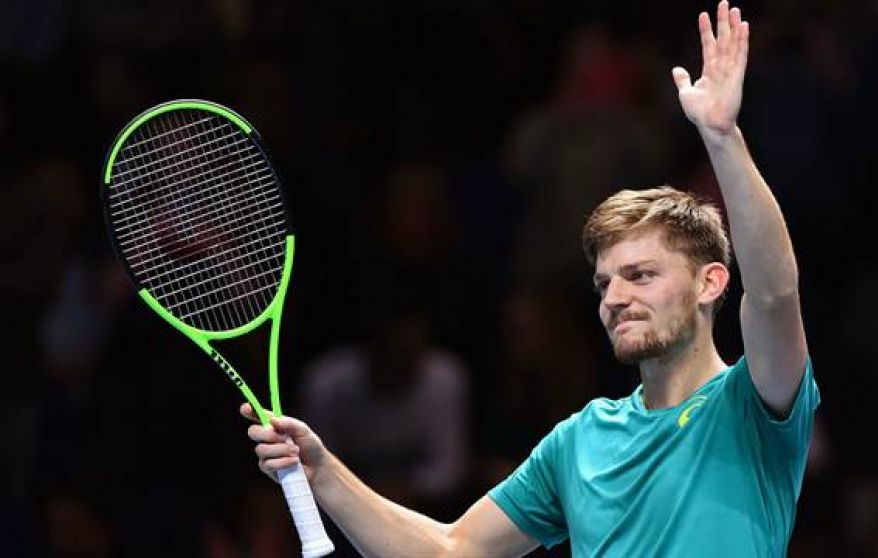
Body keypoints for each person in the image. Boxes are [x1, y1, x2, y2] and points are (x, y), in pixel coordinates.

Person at [242, 2, 819, 555]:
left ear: (710, 283)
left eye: (640, 275)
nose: (616, 298)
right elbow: (450, 552)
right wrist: (324, 473)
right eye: (604, 284)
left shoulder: (753, 403)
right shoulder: (579, 441)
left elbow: (774, 292)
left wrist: (721, 136)